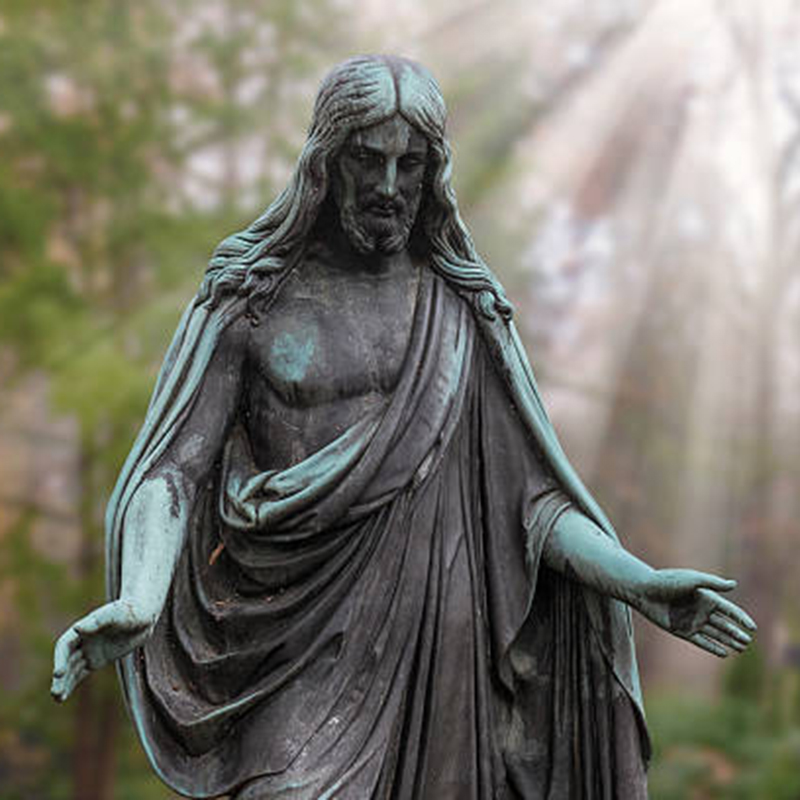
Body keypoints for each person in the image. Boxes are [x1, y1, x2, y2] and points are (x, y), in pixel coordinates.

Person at [51, 55, 755, 799]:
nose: (388, 186)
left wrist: (641, 584)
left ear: (432, 173)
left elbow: (534, 507)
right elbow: (173, 468)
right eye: (368, 159)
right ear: (326, 162)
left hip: (443, 661)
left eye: (409, 164)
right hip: (285, 648)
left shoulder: (461, 313)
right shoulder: (249, 299)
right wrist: (141, 596)